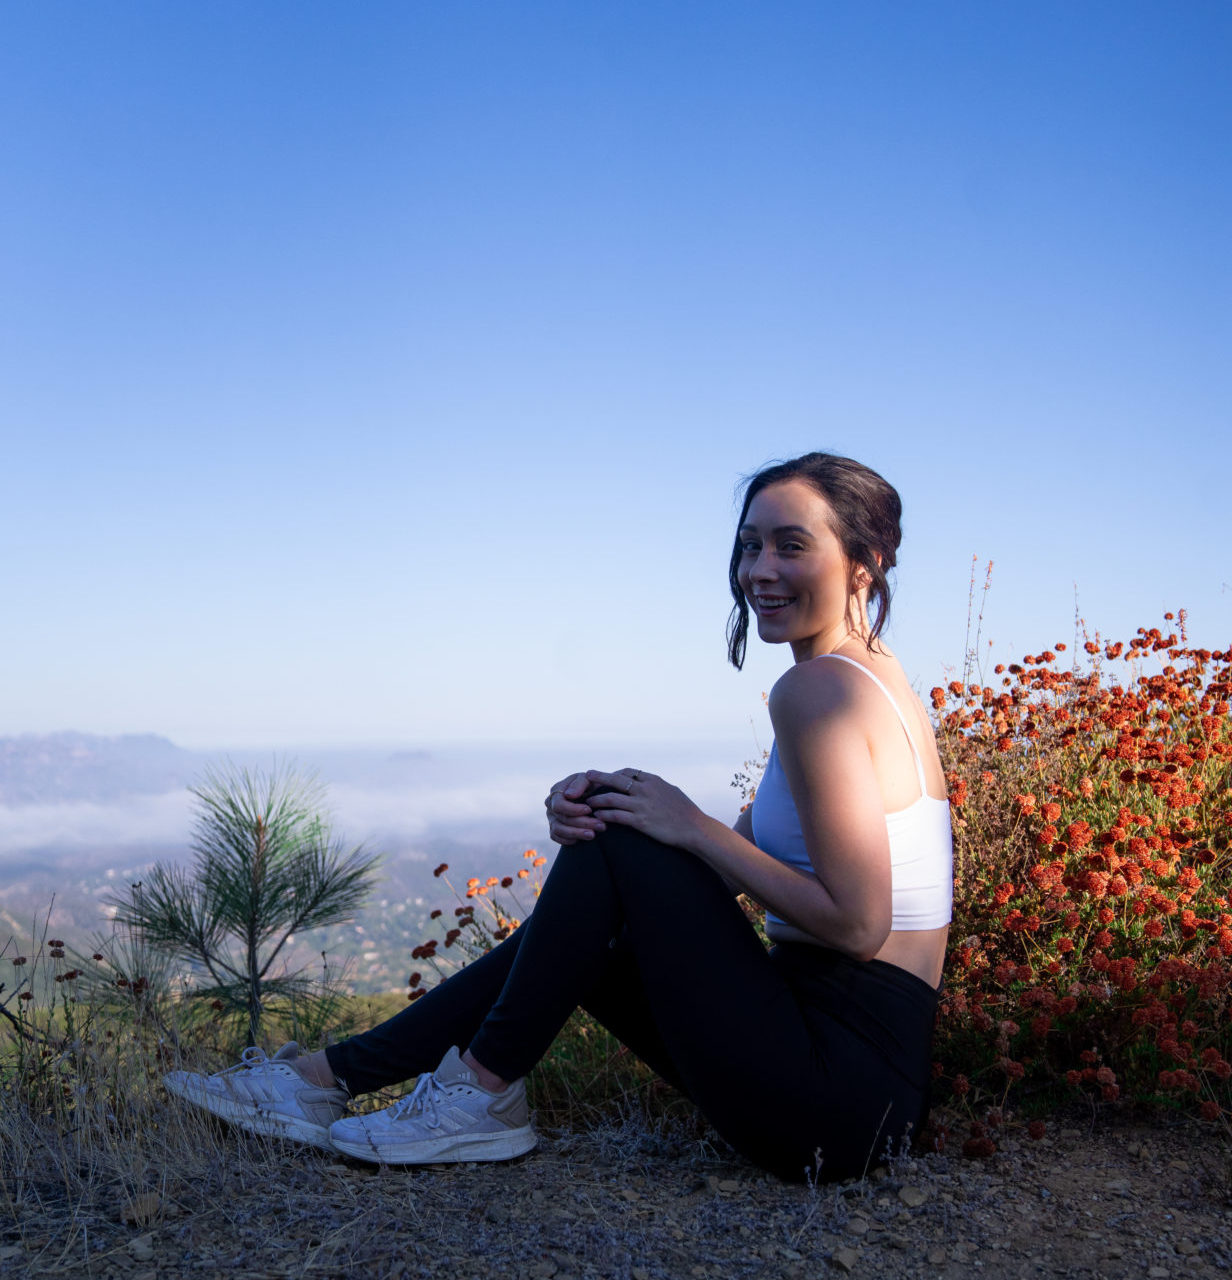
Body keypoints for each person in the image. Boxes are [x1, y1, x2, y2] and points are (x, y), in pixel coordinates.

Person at [164, 452, 953, 1182]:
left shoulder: (820, 692)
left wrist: (677, 823)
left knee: (624, 846)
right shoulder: (862, 681)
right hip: (853, 1095)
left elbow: (857, 927)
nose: (759, 571)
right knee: (613, 857)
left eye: (790, 546)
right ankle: (333, 1080)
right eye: (749, 546)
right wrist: (617, 812)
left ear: (865, 561)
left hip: (836, 1096)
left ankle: (463, 1091)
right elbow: (719, 871)